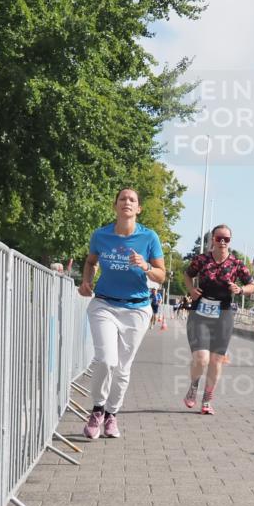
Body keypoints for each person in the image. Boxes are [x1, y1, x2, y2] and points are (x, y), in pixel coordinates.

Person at [78, 188, 166, 439]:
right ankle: (97, 410)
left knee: (123, 368)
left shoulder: (149, 237)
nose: (127, 202)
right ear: (115, 205)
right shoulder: (101, 235)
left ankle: (111, 415)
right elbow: (90, 262)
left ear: (138, 209)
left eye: (132, 200)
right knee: (106, 361)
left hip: (136, 309)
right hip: (104, 304)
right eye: (122, 199)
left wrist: (146, 266)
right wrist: (87, 282)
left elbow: (161, 275)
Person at [182, 225, 254, 414]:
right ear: (212, 240)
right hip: (200, 311)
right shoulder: (201, 259)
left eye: (227, 239)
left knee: (216, 360)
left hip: (223, 313)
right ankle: (193, 386)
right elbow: (188, 275)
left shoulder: (236, 263)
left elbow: (252, 285)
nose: (223, 242)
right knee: (201, 359)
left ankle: (207, 399)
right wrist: (191, 290)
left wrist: (241, 290)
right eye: (219, 238)